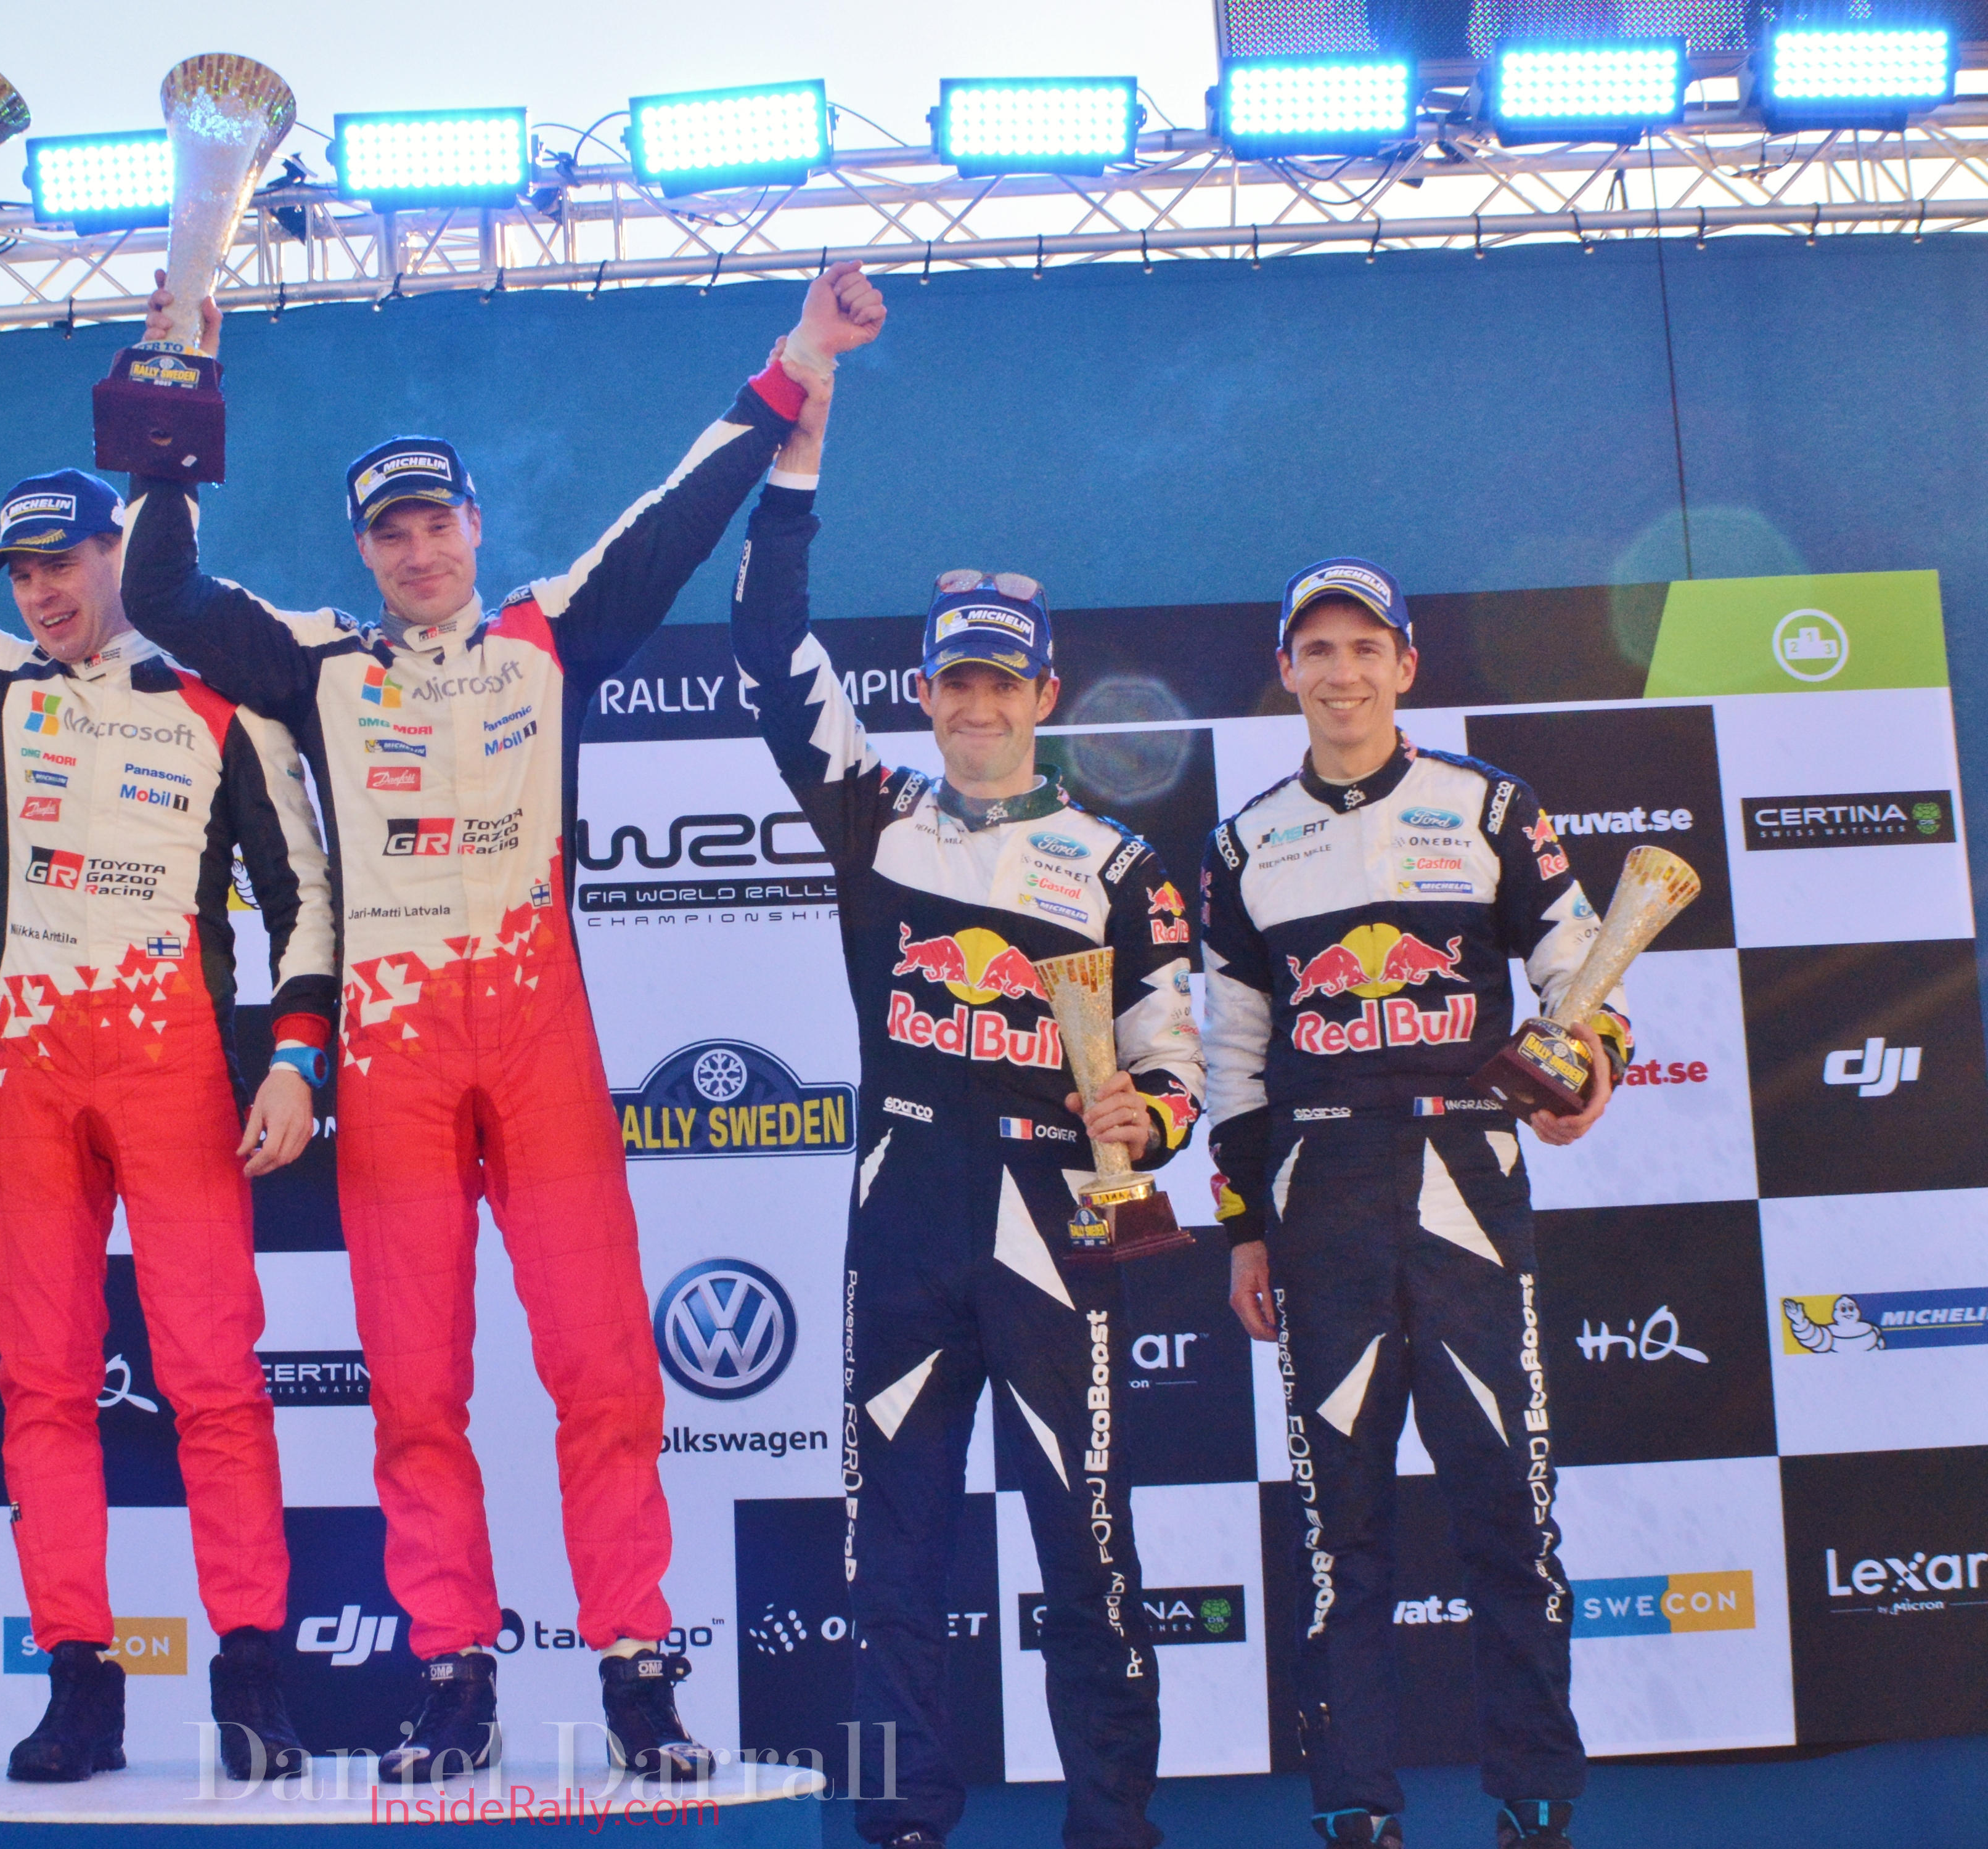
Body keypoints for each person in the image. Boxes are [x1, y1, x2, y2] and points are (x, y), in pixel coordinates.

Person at [120, 263, 885, 1782]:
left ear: (474, 527)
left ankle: (637, 1670)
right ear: (363, 549)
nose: (417, 551)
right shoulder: (316, 661)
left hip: (542, 1043)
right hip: (395, 1054)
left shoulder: (549, 632)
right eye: (389, 532)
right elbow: (158, 594)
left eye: (437, 523)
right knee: (416, 1387)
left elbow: (680, 513)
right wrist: (175, 382)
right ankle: (452, 1673)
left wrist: (799, 354)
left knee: (605, 1370)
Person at [0, 272, 333, 1783]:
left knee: (214, 1378)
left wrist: (298, 1056)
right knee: (39, 1382)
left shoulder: (226, 703)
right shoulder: (8, 690)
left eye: (62, 561)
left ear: (120, 554)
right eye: (21, 571)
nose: (38, 592)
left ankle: (254, 1679)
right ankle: (79, 1681)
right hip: (32, 1066)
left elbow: (306, 897)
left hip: (176, 1058)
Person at [727, 372, 1198, 1849]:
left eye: (1005, 683)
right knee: (891, 1557)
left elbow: (1176, 1062)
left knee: (1087, 1551)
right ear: (925, 696)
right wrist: (794, 470)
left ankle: (1112, 1826)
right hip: (907, 1212)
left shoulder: (1120, 865)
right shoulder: (874, 813)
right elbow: (766, 644)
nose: (979, 705)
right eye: (956, 683)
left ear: (1045, 698)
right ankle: (898, 1822)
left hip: (1061, 1221)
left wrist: (1145, 1122)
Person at [1198, 561, 1622, 1849]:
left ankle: (1536, 1805)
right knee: (1340, 1527)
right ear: (1286, 670)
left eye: (1364, 648)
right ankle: (1354, 1812)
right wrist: (1244, 1228)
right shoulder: (1243, 843)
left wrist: (1590, 1067)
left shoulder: (1489, 806)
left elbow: (1581, 969)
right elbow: (1234, 1057)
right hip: (1318, 1192)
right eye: (1318, 650)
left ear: (1405, 665)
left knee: (1507, 1504)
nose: (1342, 673)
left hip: (1465, 1183)